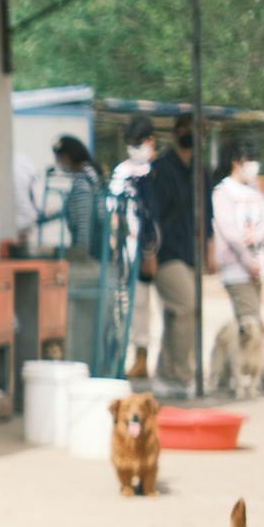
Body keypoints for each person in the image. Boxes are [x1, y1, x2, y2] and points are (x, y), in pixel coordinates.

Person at [140, 112, 204, 398]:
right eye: (186, 129)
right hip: (166, 252)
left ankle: (165, 374)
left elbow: (206, 215)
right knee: (186, 306)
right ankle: (180, 373)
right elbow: (150, 214)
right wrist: (149, 252)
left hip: (190, 251)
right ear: (176, 132)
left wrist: (207, 249)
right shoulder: (161, 169)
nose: (190, 134)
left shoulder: (199, 171)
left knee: (176, 313)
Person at [211, 136, 264, 391]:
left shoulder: (253, 191)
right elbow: (229, 231)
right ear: (237, 161)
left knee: (246, 324)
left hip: (256, 267)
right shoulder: (223, 192)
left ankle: (231, 376)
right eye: (249, 160)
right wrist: (246, 258)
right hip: (235, 269)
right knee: (251, 321)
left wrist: (258, 238)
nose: (253, 165)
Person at [108, 116, 159, 380]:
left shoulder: (157, 172)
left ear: (151, 141)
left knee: (157, 307)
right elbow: (112, 211)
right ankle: (133, 360)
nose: (136, 148)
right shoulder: (122, 173)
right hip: (130, 251)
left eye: (140, 142)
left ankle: (152, 360)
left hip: (159, 249)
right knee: (135, 304)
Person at [51, 134, 104, 258]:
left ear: (68, 157)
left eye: (59, 158)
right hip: (98, 253)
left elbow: (83, 223)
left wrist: (80, 254)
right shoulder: (91, 175)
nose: (58, 163)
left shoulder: (82, 181)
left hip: (92, 255)